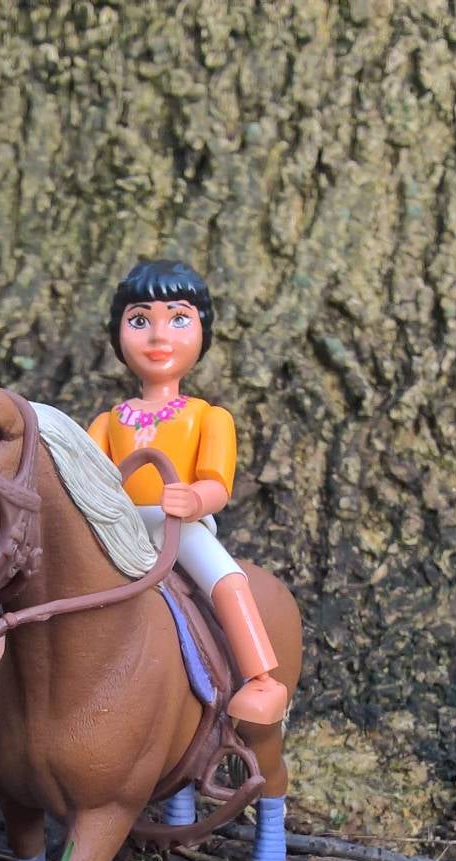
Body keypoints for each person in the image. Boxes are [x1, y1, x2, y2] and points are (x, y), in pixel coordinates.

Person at [87, 257, 287, 728]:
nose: (158, 337)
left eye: (178, 319)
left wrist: (194, 499)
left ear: (202, 332)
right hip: (117, 527)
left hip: (177, 526)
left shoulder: (207, 417)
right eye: (140, 321)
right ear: (119, 334)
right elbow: (84, 475)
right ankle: (9, 646)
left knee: (227, 580)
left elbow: (217, 484)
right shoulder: (108, 422)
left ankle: (261, 677)